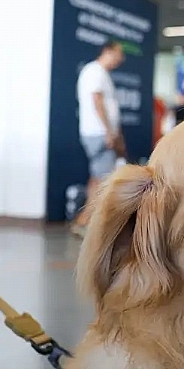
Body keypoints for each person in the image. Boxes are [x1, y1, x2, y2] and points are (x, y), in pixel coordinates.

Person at [73, 40, 126, 235]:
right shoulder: (94, 72)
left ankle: (85, 221)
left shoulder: (101, 74)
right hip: (98, 133)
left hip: (101, 133)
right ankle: (86, 222)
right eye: (118, 54)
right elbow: (97, 102)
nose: (121, 60)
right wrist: (108, 131)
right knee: (103, 179)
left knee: (97, 178)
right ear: (107, 51)